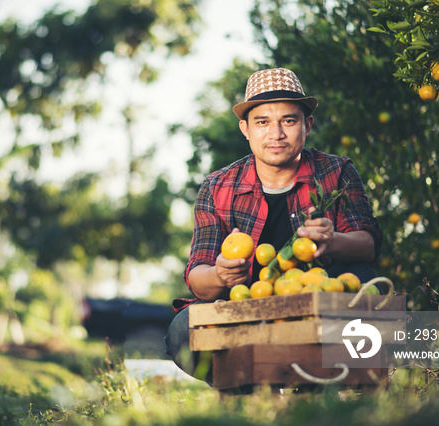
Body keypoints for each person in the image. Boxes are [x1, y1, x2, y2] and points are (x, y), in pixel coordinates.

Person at [164, 67, 383, 382]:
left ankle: (328, 391)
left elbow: (369, 245)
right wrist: (220, 273)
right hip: (244, 309)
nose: (276, 134)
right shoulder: (217, 186)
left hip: (315, 300)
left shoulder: (336, 172)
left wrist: (333, 241)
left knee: (364, 283)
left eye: (288, 121)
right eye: (262, 122)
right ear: (245, 128)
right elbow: (197, 277)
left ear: (307, 125)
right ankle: (245, 390)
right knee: (185, 328)